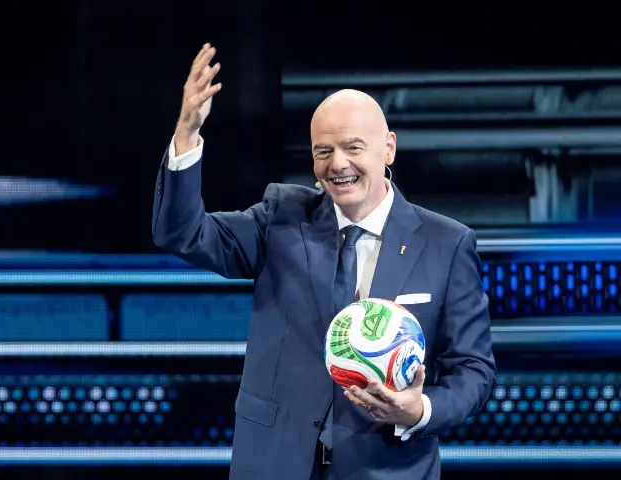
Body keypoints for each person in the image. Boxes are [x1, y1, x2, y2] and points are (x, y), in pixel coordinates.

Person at [152, 44, 496, 480]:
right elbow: (182, 233)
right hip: (274, 464)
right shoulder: (280, 217)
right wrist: (187, 134)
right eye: (323, 151)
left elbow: (475, 371)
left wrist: (419, 409)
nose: (338, 165)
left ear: (388, 148)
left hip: (386, 469)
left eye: (353, 147)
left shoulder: (446, 242)